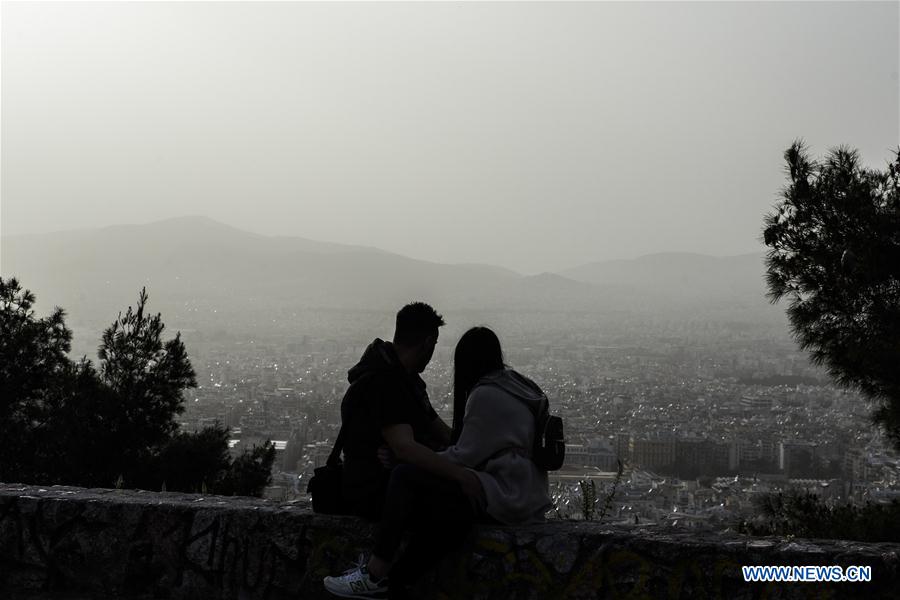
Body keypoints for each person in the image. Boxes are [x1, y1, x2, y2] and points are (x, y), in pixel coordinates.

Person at [324, 326, 552, 599]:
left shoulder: (486, 394)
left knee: (405, 477)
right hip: (527, 493)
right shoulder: (516, 385)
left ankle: (374, 573)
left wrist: (402, 459)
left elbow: (463, 456)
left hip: (506, 495)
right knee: (450, 514)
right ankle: (399, 583)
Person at [340, 301, 477, 520]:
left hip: (387, 486)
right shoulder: (386, 382)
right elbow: (405, 447)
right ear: (428, 342)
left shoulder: (406, 381)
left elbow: (439, 431)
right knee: (458, 513)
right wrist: (462, 475)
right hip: (377, 492)